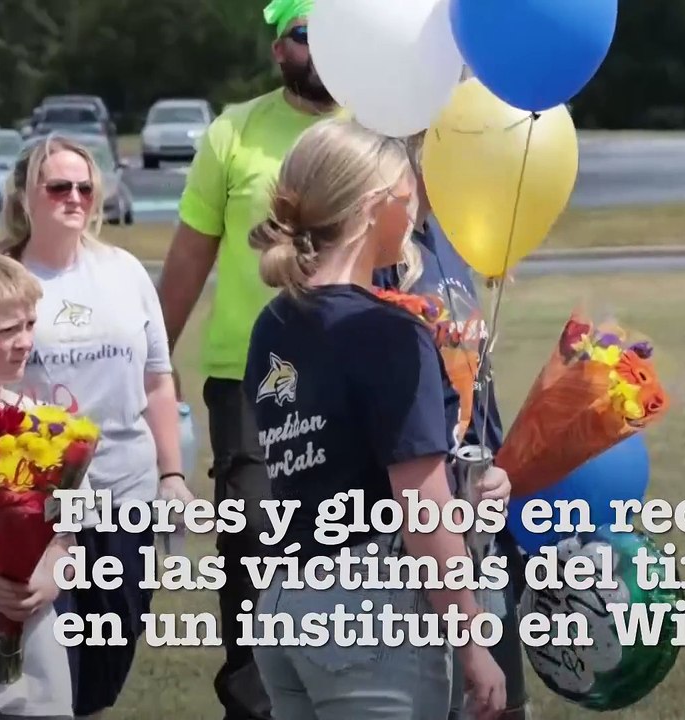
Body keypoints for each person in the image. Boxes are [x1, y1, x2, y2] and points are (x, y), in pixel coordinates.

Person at [242, 117, 506, 719]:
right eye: (405, 188)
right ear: (371, 207)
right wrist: (472, 644)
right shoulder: (388, 332)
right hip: (369, 608)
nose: (415, 201)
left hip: (287, 601)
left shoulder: (274, 324)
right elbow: (420, 506)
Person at [154, 1, 342, 716]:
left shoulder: (380, 128)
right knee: (256, 537)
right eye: (304, 35)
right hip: (248, 378)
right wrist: (149, 364)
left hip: (352, 371)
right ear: (277, 49)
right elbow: (187, 260)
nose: (319, 50)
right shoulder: (234, 132)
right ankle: (254, 702)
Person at [0, 135, 186, 719]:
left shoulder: (124, 271)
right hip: (35, 508)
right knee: (50, 656)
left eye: (84, 186)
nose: (74, 197)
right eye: (58, 186)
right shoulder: (1, 277)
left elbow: (158, 379)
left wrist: (172, 474)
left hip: (125, 496)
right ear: (26, 196)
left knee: (110, 651)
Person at [372, 140, 529, 720]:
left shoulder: (453, 245)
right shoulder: (385, 254)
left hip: (477, 511)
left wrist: (501, 466)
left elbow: (476, 380)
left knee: (502, 701)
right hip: (415, 515)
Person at [0, 248, 76, 720]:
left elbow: (68, 533)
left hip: (33, 642)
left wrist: (53, 574)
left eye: (30, 326)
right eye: (6, 331)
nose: (24, 342)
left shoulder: (43, 427)